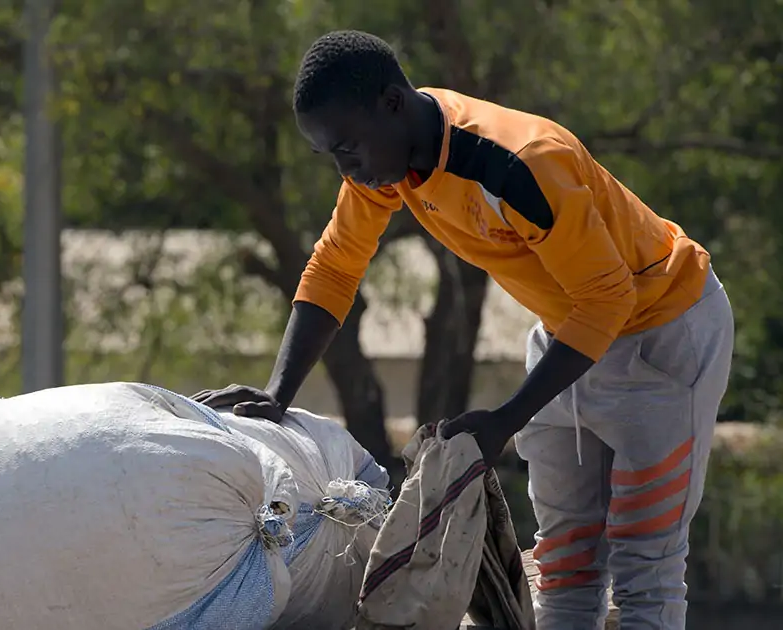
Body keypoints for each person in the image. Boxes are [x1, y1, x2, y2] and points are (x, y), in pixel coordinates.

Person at [192, 29, 734, 630]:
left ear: (392, 104)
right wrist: (277, 396)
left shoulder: (520, 165)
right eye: (333, 156)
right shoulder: (385, 165)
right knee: (567, 563)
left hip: (663, 335)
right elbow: (335, 266)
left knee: (644, 568)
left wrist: (508, 418)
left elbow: (610, 298)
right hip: (569, 337)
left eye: (348, 149)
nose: (346, 169)